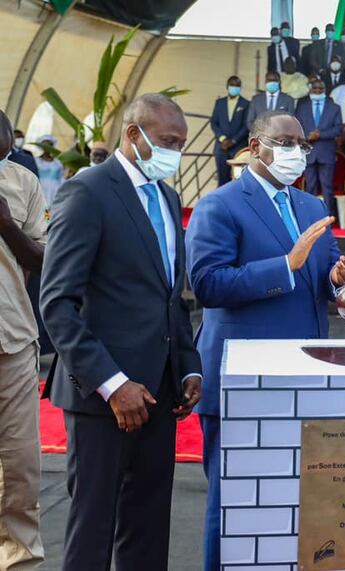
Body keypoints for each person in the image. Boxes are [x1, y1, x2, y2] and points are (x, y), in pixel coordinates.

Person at [186, 110, 345, 571]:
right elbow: (207, 285)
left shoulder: (310, 206)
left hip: (305, 374)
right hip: (242, 379)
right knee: (232, 505)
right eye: (284, 143)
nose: (296, 154)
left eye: (302, 146)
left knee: (297, 503)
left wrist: (337, 276)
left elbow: (323, 276)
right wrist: (285, 266)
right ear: (255, 145)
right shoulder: (220, 204)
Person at [40, 93, 203, 570]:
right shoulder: (87, 191)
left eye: (181, 143)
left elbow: (170, 297)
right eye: (168, 142)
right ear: (134, 134)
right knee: (92, 527)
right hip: (102, 398)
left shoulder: (168, 197)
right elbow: (57, 304)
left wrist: (188, 368)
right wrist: (112, 384)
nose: (175, 152)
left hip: (159, 392)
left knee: (148, 526)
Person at [0, 110, 46, 571]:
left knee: (20, 465)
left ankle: (19, 559)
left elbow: (41, 257)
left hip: (11, 339)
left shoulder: (23, 182)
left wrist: (6, 224)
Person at [295, 79, 342, 217]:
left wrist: (320, 135)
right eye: (314, 89)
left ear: (324, 90)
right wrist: (305, 137)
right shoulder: (302, 107)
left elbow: (338, 129)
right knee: (310, 186)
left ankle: (327, 216)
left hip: (326, 152)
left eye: (320, 89)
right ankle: (310, 217)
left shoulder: (334, 107)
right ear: (310, 90)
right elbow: (297, 127)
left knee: (327, 186)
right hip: (308, 152)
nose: (317, 91)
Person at [210, 75, 250, 186]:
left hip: (238, 147)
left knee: (238, 179)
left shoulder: (246, 104)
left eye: (237, 85)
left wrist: (233, 141)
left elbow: (246, 126)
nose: (235, 87)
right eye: (232, 85)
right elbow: (214, 122)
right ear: (227, 86)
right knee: (222, 180)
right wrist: (222, 139)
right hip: (221, 147)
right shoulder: (220, 102)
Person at [34, 134, 64, 209]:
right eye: (45, 145)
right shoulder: (36, 161)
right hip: (41, 189)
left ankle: (49, 220)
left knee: (52, 210)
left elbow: (61, 177)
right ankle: (45, 220)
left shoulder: (58, 163)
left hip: (55, 191)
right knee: (43, 209)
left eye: (49, 145)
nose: (47, 147)